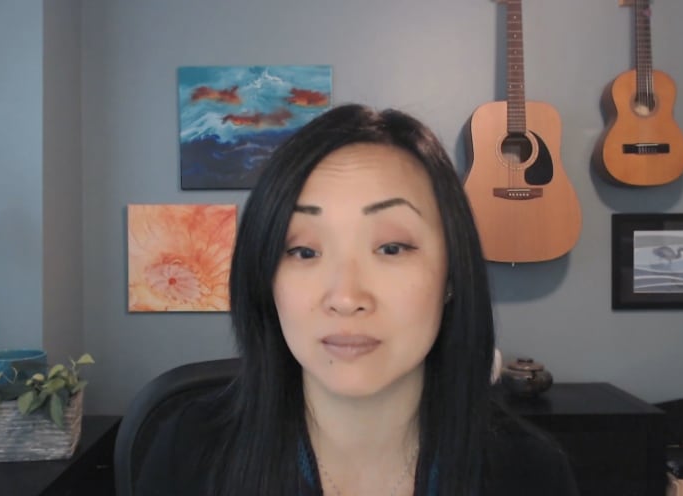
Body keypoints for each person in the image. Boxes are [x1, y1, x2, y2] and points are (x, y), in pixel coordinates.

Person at [136, 103, 579, 495]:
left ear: (451, 274)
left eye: (391, 248)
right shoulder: (188, 455)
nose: (346, 298)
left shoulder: (529, 472)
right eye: (304, 251)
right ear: (265, 277)